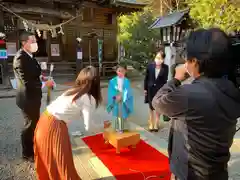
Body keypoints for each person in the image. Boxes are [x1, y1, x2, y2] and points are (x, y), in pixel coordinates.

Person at [152, 28, 240, 180]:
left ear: (194, 62)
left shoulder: (190, 94)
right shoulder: (232, 89)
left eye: (187, 59)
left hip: (190, 173)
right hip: (217, 172)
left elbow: (157, 102)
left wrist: (176, 79)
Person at [34, 66, 102, 180]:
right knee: (63, 163)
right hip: (54, 127)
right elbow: (88, 127)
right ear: (96, 83)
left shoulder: (72, 91)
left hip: (44, 121)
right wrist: (103, 127)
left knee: (50, 160)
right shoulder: (86, 97)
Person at [13, 31, 49, 161]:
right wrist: (45, 83)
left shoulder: (30, 56)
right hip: (27, 98)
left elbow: (35, 73)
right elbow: (27, 82)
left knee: (34, 123)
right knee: (29, 125)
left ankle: (35, 145)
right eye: (32, 41)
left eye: (35, 41)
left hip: (34, 97)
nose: (35, 44)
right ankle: (27, 153)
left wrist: (42, 77)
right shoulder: (20, 58)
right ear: (24, 43)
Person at [144, 50, 169, 132]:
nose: (158, 59)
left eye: (160, 58)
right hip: (150, 89)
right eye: (157, 57)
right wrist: (145, 89)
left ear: (163, 59)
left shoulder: (165, 67)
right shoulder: (150, 66)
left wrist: (165, 91)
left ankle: (156, 123)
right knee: (151, 107)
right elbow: (146, 78)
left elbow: (165, 80)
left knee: (158, 107)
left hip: (160, 90)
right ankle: (151, 123)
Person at [107, 64, 134, 132]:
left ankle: (124, 127)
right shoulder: (112, 81)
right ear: (116, 71)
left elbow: (128, 90)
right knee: (118, 114)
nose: (120, 72)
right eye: (119, 71)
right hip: (116, 99)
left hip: (124, 99)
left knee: (123, 114)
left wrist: (123, 96)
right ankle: (119, 127)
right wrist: (115, 96)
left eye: (122, 71)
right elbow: (111, 91)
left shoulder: (126, 81)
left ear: (125, 71)